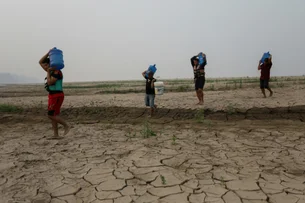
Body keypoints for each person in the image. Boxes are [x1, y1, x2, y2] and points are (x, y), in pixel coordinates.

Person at [39, 50, 70, 139]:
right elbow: (40, 62)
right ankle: (56, 135)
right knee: (54, 115)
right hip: (53, 95)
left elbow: (50, 83)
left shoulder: (56, 72)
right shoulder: (51, 70)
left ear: (50, 64)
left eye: (46, 65)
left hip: (57, 95)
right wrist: (48, 53)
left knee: (50, 115)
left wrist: (48, 72)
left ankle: (66, 125)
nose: (44, 67)